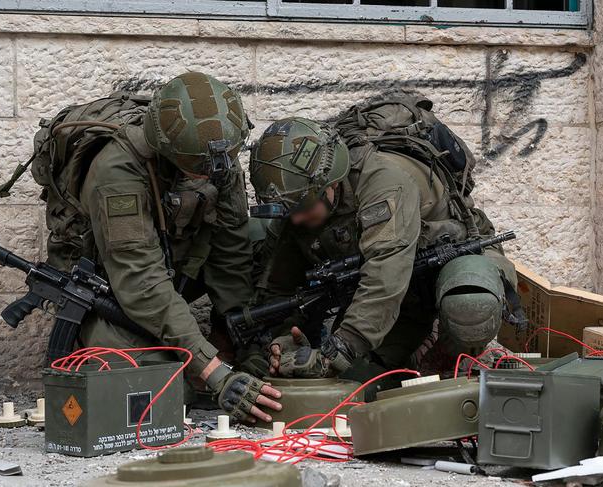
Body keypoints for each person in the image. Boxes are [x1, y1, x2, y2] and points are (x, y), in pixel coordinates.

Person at [40, 72, 281, 423]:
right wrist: (215, 372)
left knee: (263, 235)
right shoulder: (117, 172)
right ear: (169, 152)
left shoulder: (217, 158)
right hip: (110, 287)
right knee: (162, 393)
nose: (215, 171)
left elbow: (232, 254)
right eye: (200, 167)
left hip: (173, 265)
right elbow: (141, 282)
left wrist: (245, 336)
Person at [248, 97, 522, 384]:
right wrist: (279, 341)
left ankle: (449, 356)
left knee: (470, 302)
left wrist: (337, 351)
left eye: (304, 209)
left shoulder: (384, 182)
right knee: (359, 384)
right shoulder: (299, 200)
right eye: (290, 212)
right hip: (398, 292)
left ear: (331, 184)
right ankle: (411, 352)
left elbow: (384, 277)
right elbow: (279, 285)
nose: (296, 220)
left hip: (449, 262)